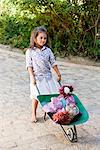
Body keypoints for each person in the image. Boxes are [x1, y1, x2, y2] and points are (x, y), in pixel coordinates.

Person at [26, 26, 61, 123]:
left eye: (45, 38)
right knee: (36, 96)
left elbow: (53, 62)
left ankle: (53, 111)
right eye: (41, 38)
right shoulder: (30, 51)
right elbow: (29, 66)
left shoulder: (48, 50)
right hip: (37, 78)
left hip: (48, 77)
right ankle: (33, 113)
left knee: (51, 96)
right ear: (35, 38)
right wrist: (32, 78)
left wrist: (58, 74)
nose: (43, 40)